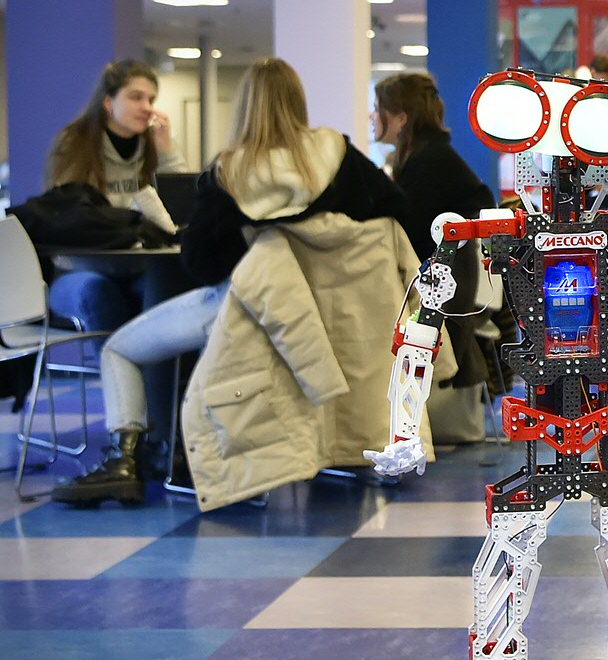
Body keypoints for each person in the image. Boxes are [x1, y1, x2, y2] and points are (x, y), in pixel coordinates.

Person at [52, 58, 406, 506]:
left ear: (243, 107)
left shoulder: (229, 173)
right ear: (298, 102)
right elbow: (398, 214)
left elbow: (202, 264)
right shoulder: (344, 158)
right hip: (331, 316)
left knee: (118, 349)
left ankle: (124, 460)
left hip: (246, 311)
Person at [371, 73, 495, 411]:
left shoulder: (429, 163)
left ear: (400, 118)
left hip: (447, 288)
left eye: (376, 108)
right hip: (453, 279)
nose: (371, 116)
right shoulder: (429, 158)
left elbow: (408, 234)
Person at [44, 59, 189, 330]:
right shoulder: (74, 142)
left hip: (137, 268)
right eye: (136, 97)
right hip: (77, 270)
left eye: (151, 99)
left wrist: (167, 151)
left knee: (170, 288)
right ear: (108, 102)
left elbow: (179, 211)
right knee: (98, 292)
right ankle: (119, 371)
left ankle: (158, 373)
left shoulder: (154, 145)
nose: (147, 108)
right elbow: (72, 217)